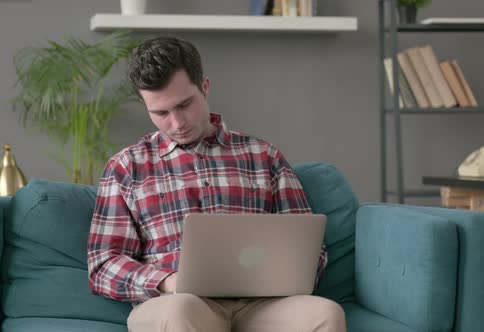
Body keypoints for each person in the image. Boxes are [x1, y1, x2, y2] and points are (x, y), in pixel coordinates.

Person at [87, 36, 346, 332]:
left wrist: (286, 276)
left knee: (326, 314)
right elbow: (103, 265)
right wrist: (167, 281)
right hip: (177, 302)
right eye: (160, 113)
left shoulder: (263, 155)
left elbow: (310, 247)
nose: (176, 122)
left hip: (261, 303)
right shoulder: (126, 167)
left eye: (185, 104)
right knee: (181, 311)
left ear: (205, 87)